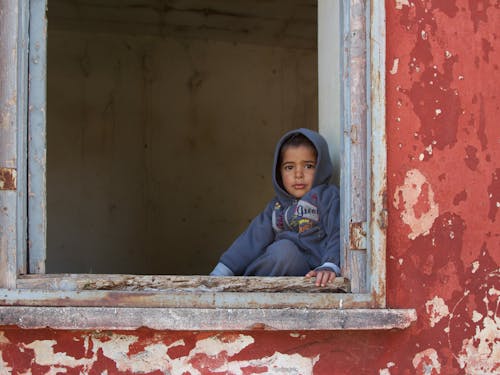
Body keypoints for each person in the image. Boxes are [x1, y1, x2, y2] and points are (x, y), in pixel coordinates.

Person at [210, 128, 340, 287]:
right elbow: (251, 240)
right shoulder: (276, 206)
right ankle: (246, 286)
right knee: (284, 251)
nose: (298, 174)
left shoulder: (328, 197)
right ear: (279, 172)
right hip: (275, 271)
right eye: (289, 167)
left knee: (287, 252)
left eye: (308, 166)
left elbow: (338, 233)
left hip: (311, 278)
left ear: (322, 167)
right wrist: (222, 272)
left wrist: (330, 265)